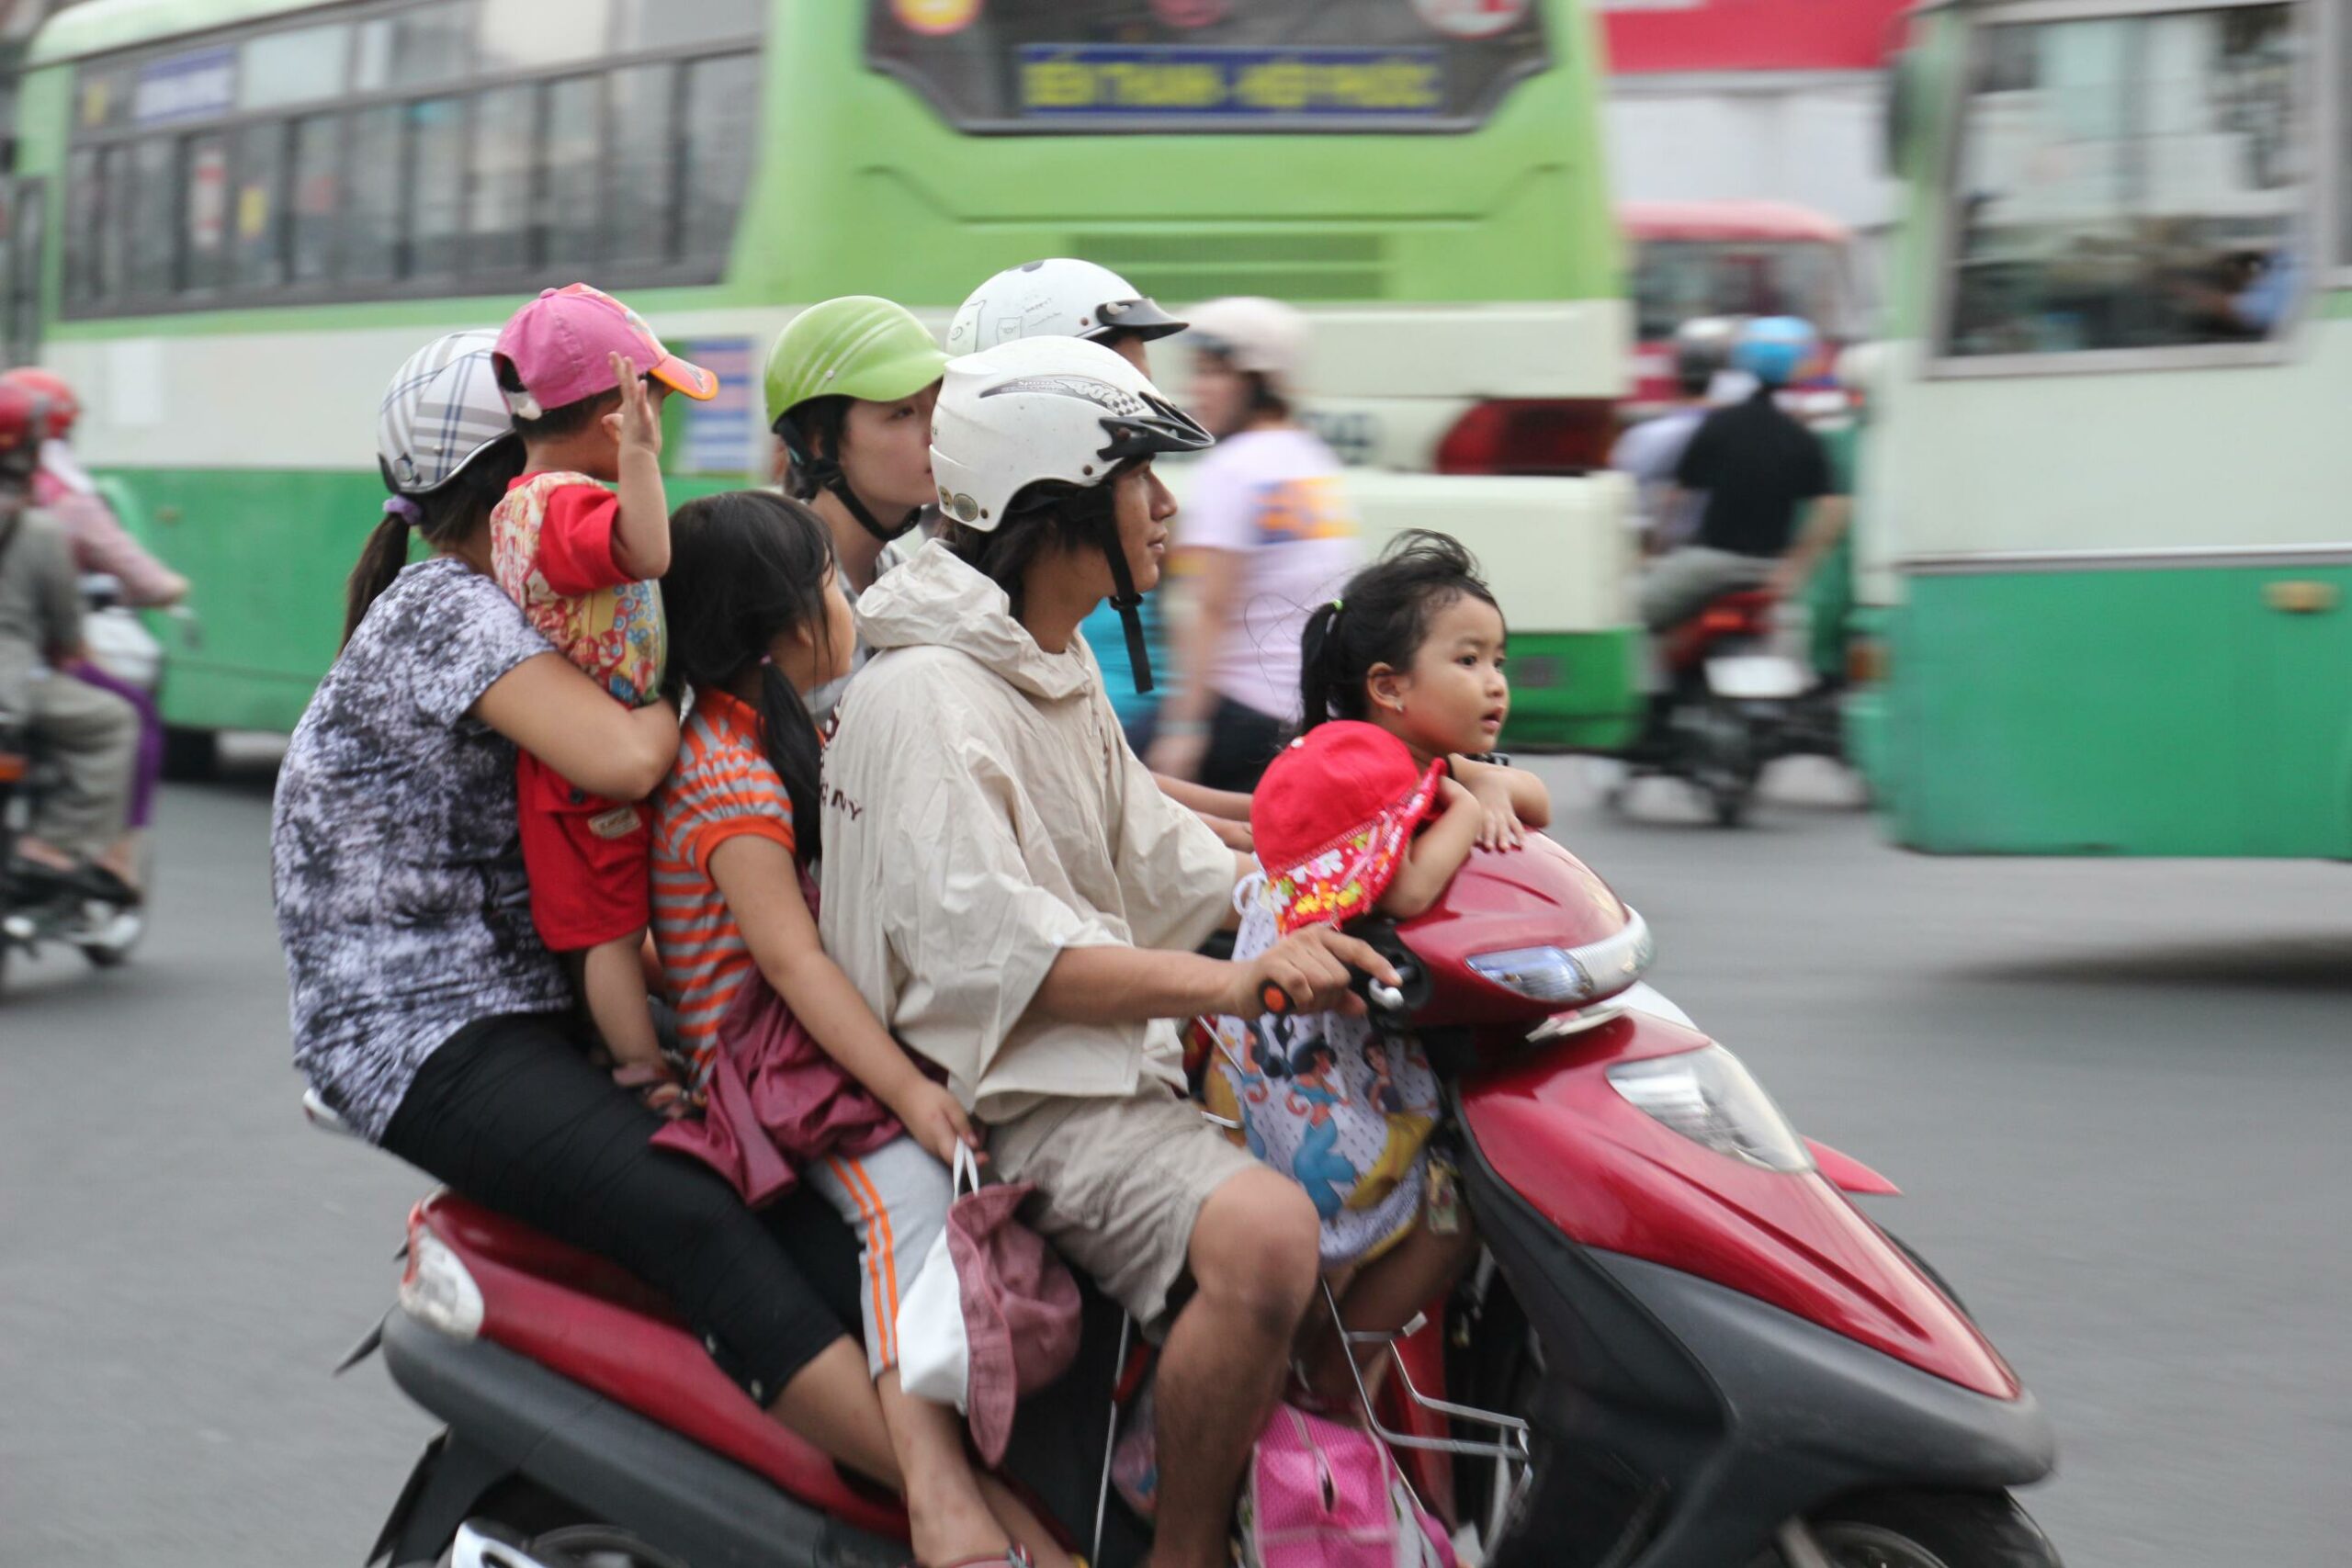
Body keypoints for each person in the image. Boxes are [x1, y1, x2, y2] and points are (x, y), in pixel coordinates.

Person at [277, 329, 905, 1500]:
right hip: (422, 1032)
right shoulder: (444, 610)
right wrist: (695, 693)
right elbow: (624, 762)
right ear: (521, 478)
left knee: (803, 1166)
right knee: (692, 1207)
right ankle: (945, 1499)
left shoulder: (538, 610)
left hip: (527, 988)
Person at [820, 336, 1398, 1568]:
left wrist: (1356, 888)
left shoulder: (1047, 657)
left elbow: (1165, 861)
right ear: (1058, 491)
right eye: (1142, 475)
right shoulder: (929, 692)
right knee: (1267, 1233)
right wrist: (1236, 978)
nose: (1169, 507)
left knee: (1408, 1181)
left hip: (1106, 1061)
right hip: (1018, 1094)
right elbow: (1006, 954)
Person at [653, 490, 1063, 1568]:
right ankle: (935, 1495)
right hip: (767, 1060)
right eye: (834, 582)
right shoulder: (728, 775)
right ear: (791, 624)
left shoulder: (783, 728)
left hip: (800, 1026)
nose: (851, 595)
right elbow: (791, 964)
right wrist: (907, 1091)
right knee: (914, 1200)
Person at [1199, 531, 1550, 1397]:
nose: (1496, 680)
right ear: (1390, 687)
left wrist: (1482, 781)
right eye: (1468, 659)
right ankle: (1334, 1383)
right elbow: (1406, 888)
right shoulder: (1356, 772)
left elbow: (1534, 798)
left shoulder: (1396, 757)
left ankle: (1323, 1385)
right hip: (1322, 1069)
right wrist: (1469, 805)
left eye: (1500, 658)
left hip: (1337, 1050)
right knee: (1453, 1205)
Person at [486, 283, 717, 1100]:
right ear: (610, 414)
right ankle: (641, 1069)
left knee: (615, 925)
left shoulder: (525, 500)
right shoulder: (564, 504)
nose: (657, 414)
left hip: (580, 755)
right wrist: (641, 462)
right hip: (587, 774)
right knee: (610, 935)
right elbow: (647, 551)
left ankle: (634, 1048)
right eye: (648, 399)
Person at [946, 258, 1253, 848]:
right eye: (1111, 380)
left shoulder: (1063, 638)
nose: (1164, 505)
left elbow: (1124, 794)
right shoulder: (958, 671)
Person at [1147, 296, 1361, 794]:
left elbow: (1209, 607)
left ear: (1258, 381)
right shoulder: (1315, 462)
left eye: (1214, 373)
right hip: (1311, 716)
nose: (1196, 390)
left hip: (1241, 715)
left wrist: (1183, 729)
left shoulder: (1232, 469)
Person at [3, 366, 183, 872]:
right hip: (14, 690)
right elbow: (66, 632)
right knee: (116, 722)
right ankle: (55, 841)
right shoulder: (42, 528)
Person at [763, 296, 949, 718]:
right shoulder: (779, 578)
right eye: (901, 413)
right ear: (819, 442)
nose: (934, 432)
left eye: (936, 406)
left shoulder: (901, 571)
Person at [1638, 316, 1846, 632]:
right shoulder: (1802, 437)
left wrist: (1656, 550)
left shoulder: (1719, 424)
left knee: (1630, 614)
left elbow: (1677, 498)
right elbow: (1834, 508)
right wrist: (1798, 567)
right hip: (1772, 569)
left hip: (1708, 565)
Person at [1610, 317, 1737, 557]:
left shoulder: (1644, 437)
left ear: (1675, 377)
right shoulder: (1740, 434)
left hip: (1667, 556)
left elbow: (1630, 504)